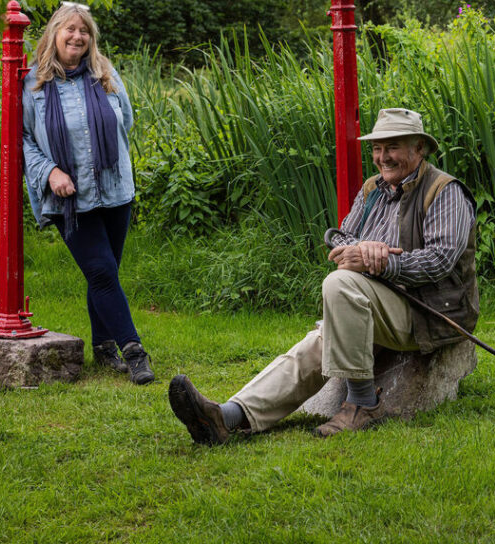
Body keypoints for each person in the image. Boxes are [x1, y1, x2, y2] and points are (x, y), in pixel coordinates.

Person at [168, 107, 478, 442]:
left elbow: (440, 261)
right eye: (377, 148)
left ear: (420, 148)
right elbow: (342, 237)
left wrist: (384, 261)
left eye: (393, 147)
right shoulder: (373, 189)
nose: (382, 157)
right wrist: (361, 249)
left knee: (340, 283)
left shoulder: (445, 192)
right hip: (380, 302)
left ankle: (361, 404)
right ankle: (228, 416)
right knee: (314, 348)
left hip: (428, 312)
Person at [22, 1, 154, 385]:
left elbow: (125, 120)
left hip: (115, 190)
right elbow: (24, 140)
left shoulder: (105, 74)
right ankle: (134, 351)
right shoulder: (32, 84)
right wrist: (50, 171)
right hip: (69, 198)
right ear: (55, 34)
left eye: (84, 31)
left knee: (106, 272)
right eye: (70, 29)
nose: (77, 36)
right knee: (100, 272)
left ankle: (103, 347)